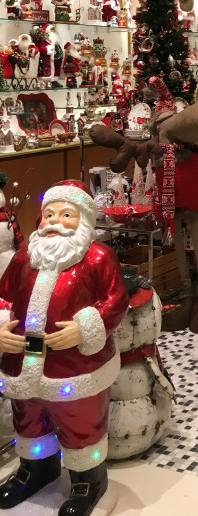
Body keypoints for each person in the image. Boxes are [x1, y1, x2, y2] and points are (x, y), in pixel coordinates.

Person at [0, 180, 128, 515]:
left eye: (66, 214)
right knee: (28, 419)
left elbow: (115, 301)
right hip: (22, 362)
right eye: (49, 214)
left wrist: (85, 328)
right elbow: (4, 296)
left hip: (75, 367)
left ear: (83, 219)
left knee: (81, 423)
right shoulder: (24, 258)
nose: (55, 221)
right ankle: (35, 468)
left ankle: (88, 479)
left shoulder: (98, 258)